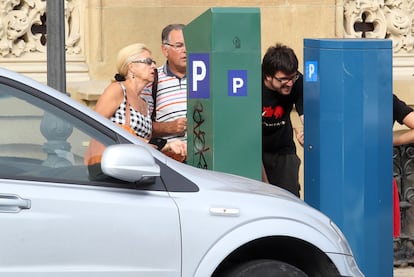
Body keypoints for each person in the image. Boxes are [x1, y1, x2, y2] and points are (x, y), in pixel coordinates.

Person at [94, 43, 187, 160]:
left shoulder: (144, 103)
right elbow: (94, 124)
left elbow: (146, 143)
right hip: (114, 164)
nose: (153, 66)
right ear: (131, 67)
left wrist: (169, 148)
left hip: (137, 167)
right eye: (148, 62)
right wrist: (165, 145)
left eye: (154, 62)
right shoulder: (117, 90)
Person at [261, 43, 304, 197]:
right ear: (267, 76)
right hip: (256, 149)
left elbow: (305, 114)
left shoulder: (296, 81)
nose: (290, 83)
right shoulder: (253, 84)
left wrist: (310, 133)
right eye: (284, 79)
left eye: (293, 77)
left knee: (289, 199)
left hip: (283, 150)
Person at [142, 24, 187, 143]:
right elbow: (140, 125)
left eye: (189, 44)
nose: (185, 50)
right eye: (179, 46)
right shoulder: (152, 80)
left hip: (205, 156)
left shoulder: (205, 77)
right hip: (170, 157)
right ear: (165, 50)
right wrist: (168, 127)